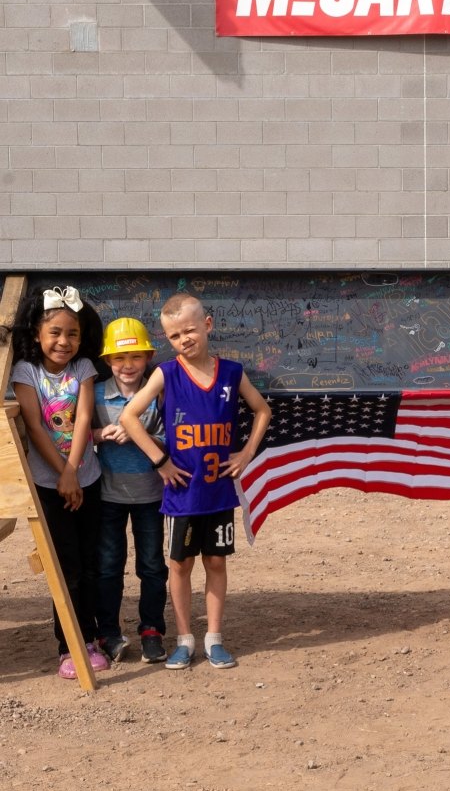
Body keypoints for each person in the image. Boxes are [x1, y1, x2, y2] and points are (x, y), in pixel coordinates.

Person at [120, 293, 271, 670]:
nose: (184, 339)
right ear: (167, 340)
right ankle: (185, 638)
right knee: (180, 566)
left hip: (218, 493)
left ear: (207, 324)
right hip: (183, 496)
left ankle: (214, 638)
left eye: (189, 330)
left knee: (216, 563)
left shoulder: (232, 372)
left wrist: (247, 452)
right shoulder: (167, 373)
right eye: (174, 336)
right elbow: (129, 417)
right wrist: (161, 461)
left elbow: (262, 410)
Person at [5, 285, 111, 679]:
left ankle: (93, 634)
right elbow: (34, 425)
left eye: (72, 334)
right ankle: (69, 646)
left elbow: (83, 419)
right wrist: (63, 474)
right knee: (64, 566)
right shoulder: (24, 372)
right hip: (50, 488)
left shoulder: (83, 369)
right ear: (36, 333)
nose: (64, 341)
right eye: (55, 333)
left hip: (88, 481)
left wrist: (75, 472)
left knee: (92, 562)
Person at [93, 317, 169, 664]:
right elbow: (78, 432)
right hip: (108, 496)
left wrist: (140, 434)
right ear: (108, 360)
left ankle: (152, 630)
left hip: (151, 496)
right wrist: (101, 434)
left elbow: (172, 439)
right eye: (120, 358)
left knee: (152, 566)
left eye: (136, 357)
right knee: (109, 567)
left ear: (148, 357)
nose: (128, 365)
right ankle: (109, 633)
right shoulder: (95, 393)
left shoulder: (158, 393)